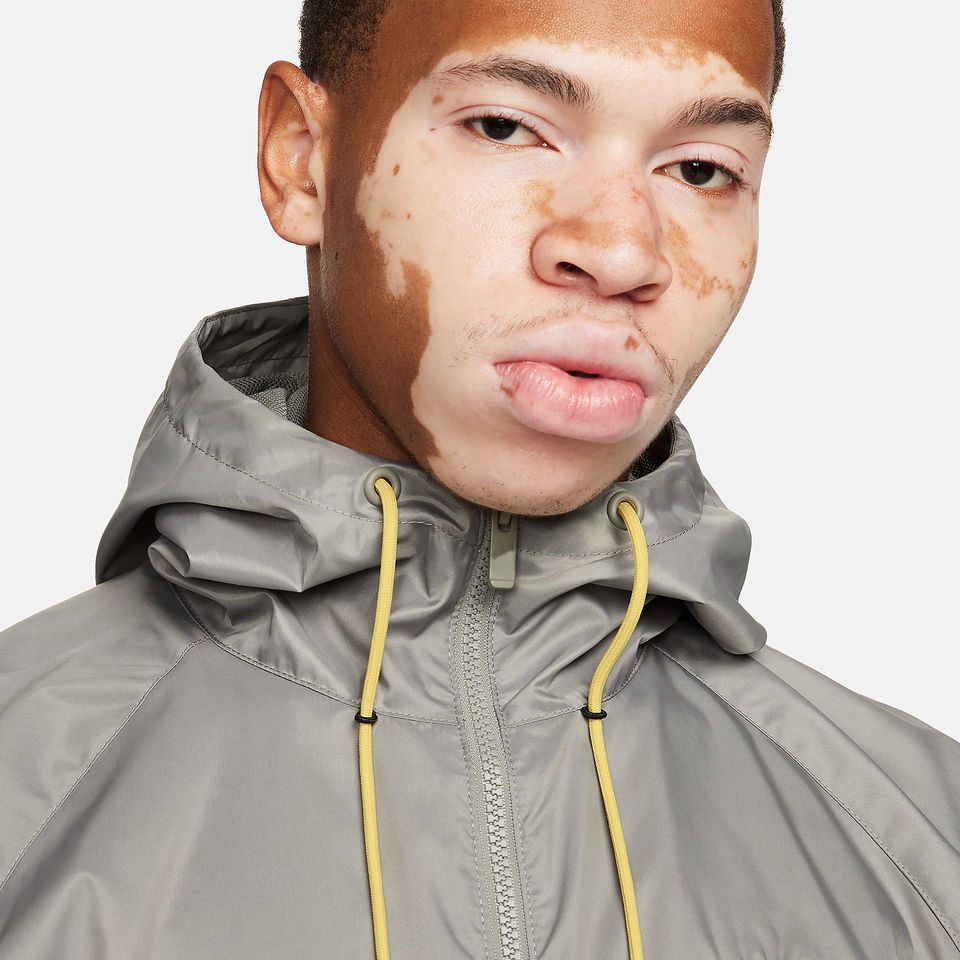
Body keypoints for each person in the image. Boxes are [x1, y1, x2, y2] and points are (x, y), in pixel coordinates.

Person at [1, 1, 957, 959]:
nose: (622, 253)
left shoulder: (926, 840)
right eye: (504, 127)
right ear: (301, 157)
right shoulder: (23, 786)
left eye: (701, 169)